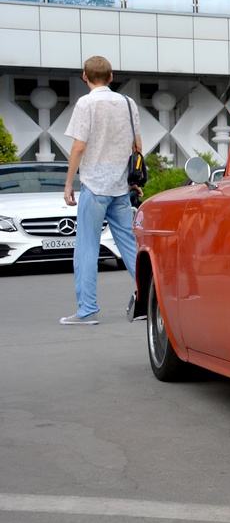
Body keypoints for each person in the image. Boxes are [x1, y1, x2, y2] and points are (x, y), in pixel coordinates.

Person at [60, 56, 141, 325]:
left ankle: (87, 310)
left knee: (86, 248)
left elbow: (79, 146)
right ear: (111, 76)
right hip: (120, 186)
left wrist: (69, 182)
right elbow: (137, 145)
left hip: (94, 187)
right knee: (131, 247)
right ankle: (151, 301)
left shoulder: (86, 103)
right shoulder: (128, 104)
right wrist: (133, 180)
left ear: (84, 76)